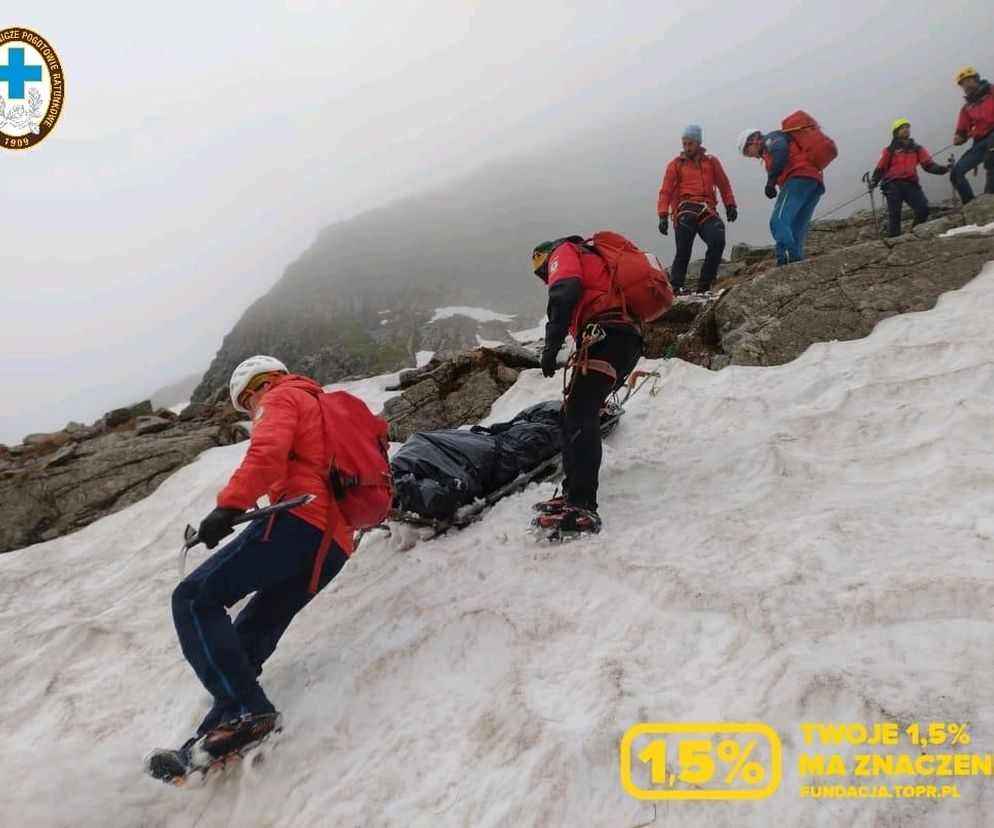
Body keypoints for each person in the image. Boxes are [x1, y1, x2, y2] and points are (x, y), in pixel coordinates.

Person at [169, 355, 353, 758]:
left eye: (247, 406)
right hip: (335, 544)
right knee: (255, 626)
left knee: (194, 598)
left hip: (299, 521)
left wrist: (228, 507)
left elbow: (267, 451)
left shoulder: (280, 398)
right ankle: (218, 733)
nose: (252, 412)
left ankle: (248, 711)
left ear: (254, 389)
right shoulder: (322, 405)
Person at [530, 238, 644, 535]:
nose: (545, 279)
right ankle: (573, 495)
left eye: (543, 273)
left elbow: (564, 289)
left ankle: (581, 505)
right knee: (575, 413)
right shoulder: (592, 257)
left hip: (606, 334)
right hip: (624, 338)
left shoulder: (563, 251)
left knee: (580, 413)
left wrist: (552, 343)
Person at [656, 124, 737, 295]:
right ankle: (676, 287)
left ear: (698, 142)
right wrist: (663, 215)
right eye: (684, 143)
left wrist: (730, 205)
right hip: (685, 209)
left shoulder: (712, 162)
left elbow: (724, 184)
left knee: (717, 241)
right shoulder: (675, 165)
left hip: (708, 209)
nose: (686, 147)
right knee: (683, 249)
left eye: (690, 143)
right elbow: (666, 191)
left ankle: (704, 286)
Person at [738, 126, 825, 266]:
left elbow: (780, 151)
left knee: (778, 221)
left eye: (747, 152)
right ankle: (797, 264)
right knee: (796, 228)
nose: (751, 156)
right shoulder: (771, 146)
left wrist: (771, 181)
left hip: (798, 177)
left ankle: (785, 262)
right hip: (814, 182)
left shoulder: (770, 139)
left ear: (753, 140)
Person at [869, 118, 950, 237]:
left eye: (907, 127)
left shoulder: (917, 148)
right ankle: (894, 238)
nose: (906, 130)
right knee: (895, 212)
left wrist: (942, 169)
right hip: (892, 184)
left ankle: (914, 233)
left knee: (923, 208)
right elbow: (880, 167)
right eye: (903, 128)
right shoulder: (889, 150)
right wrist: (874, 181)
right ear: (896, 131)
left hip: (911, 183)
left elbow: (928, 164)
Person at [950, 67, 994, 204]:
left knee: (991, 158)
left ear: (976, 79)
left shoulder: (992, 91)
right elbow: (962, 130)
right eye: (963, 84)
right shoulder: (967, 108)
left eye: (968, 80)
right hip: (980, 141)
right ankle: (971, 205)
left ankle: (990, 197)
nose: (966, 85)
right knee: (956, 173)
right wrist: (959, 138)